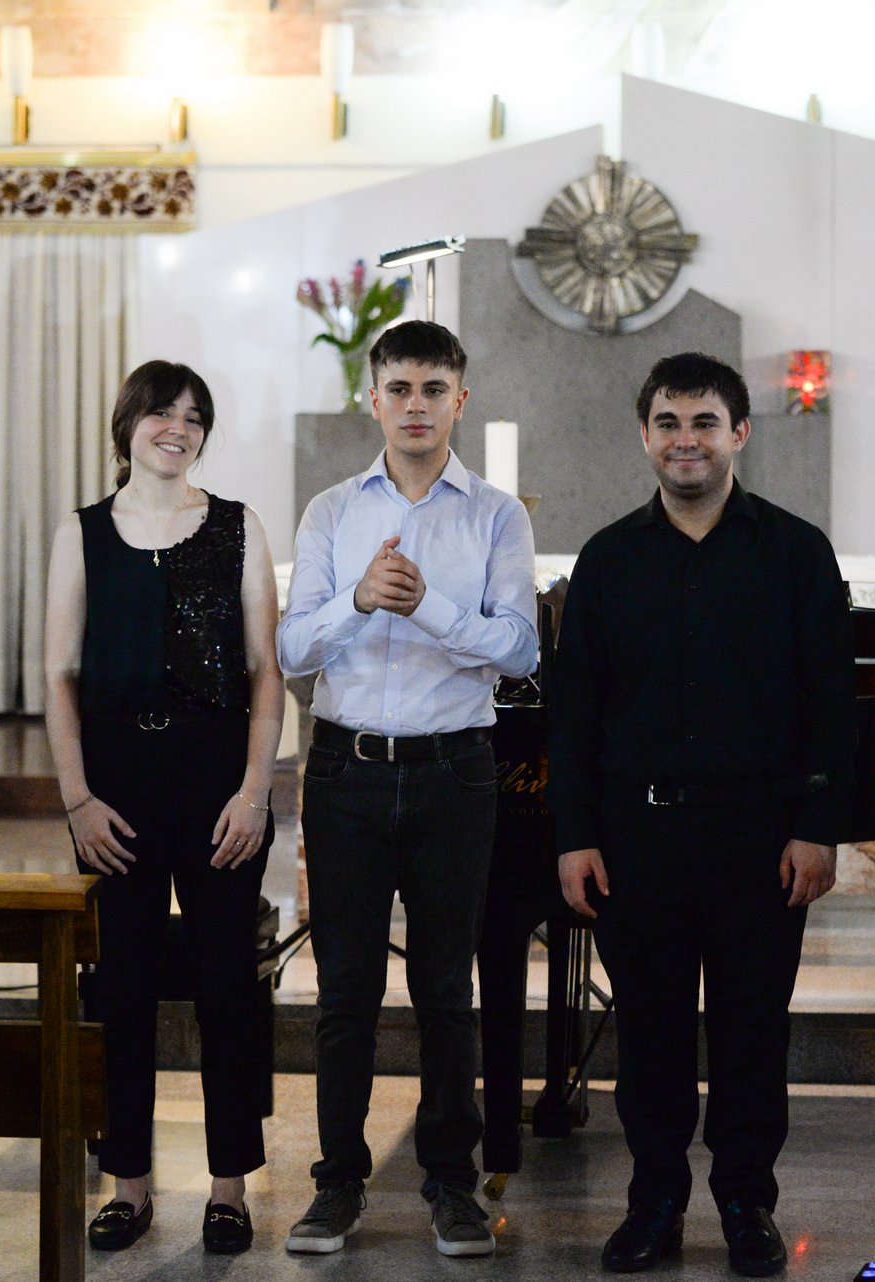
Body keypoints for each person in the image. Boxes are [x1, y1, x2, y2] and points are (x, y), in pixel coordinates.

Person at [548, 352, 855, 1278]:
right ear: (645, 436)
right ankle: (654, 1202)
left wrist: (818, 826)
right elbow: (576, 714)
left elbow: (830, 704)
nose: (687, 441)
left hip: (759, 838)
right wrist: (575, 835)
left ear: (740, 433)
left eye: (705, 423)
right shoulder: (608, 558)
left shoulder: (796, 552)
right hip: (637, 838)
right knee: (650, 1031)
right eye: (669, 424)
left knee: (753, 1030)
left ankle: (748, 1205)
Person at [277, 319, 537, 1257]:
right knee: (344, 989)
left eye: (434, 389)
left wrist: (428, 605)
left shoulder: (496, 516)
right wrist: (357, 601)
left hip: (453, 772)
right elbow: (290, 647)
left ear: (460, 400)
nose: (416, 406)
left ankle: (450, 1184)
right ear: (374, 398)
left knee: (444, 990)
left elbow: (520, 649)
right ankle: (338, 1183)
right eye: (400, 388)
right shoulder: (331, 511)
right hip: (345, 770)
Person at [42, 360, 283, 1253]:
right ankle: (128, 1183)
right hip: (115, 790)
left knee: (227, 986)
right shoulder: (83, 532)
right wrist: (77, 800)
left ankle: (229, 1188)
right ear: (127, 424)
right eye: (161, 413)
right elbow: (58, 675)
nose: (177, 429)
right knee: (123, 986)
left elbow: (266, 673)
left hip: (219, 784)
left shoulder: (236, 525)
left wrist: (255, 791)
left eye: (193, 417)